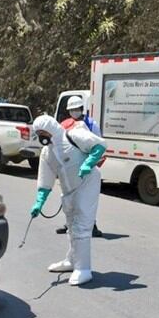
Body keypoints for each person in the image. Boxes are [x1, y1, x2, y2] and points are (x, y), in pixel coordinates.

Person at [30, 115, 106, 286]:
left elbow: (99, 145)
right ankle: (72, 261)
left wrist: (89, 163)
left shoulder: (73, 135)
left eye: (43, 131)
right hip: (69, 189)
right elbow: (45, 179)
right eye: (38, 133)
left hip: (87, 183)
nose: (42, 136)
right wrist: (39, 202)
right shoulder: (47, 152)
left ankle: (83, 269)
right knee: (71, 226)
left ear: (50, 128)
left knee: (82, 226)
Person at [56, 95, 104, 238]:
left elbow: (98, 144)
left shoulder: (90, 124)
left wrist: (90, 164)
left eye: (77, 109)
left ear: (82, 109)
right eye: (72, 110)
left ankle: (92, 225)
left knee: (88, 199)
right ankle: (69, 224)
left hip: (87, 167)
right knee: (70, 197)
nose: (74, 112)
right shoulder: (64, 124)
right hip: (70, 167)